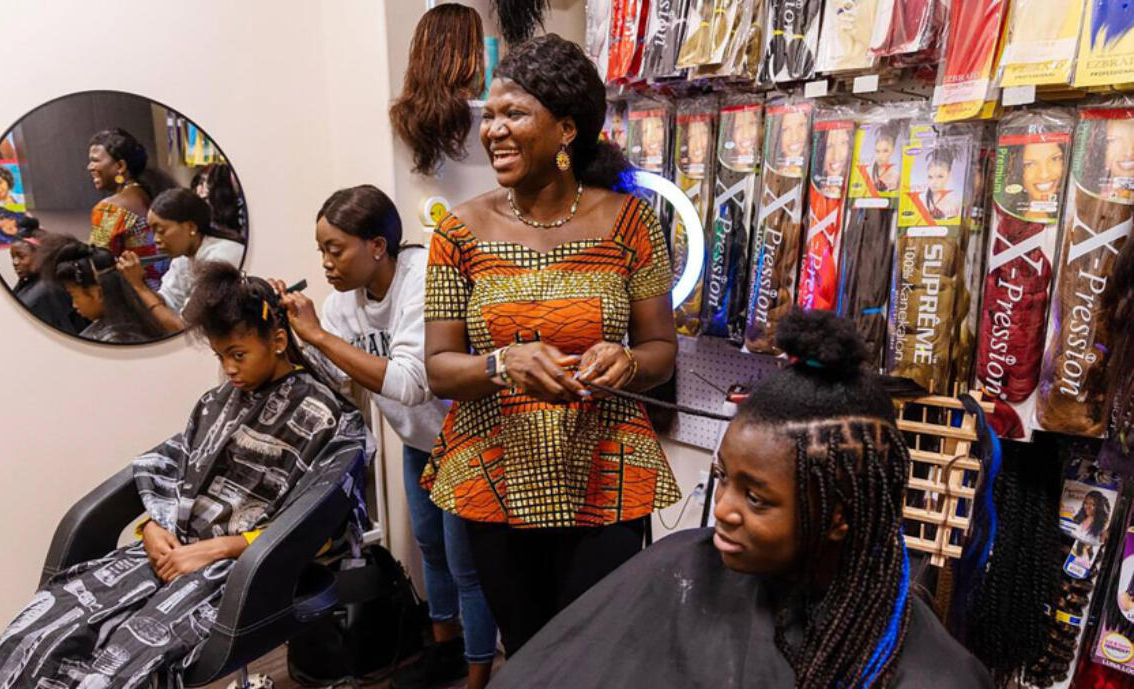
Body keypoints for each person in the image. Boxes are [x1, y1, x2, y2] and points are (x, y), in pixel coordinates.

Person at [487, 310, 994, 689]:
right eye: (723, 479)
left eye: (756, 498)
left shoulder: (927, 671)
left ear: (839, 517)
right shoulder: (686, 563)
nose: (723, 509)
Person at [0, 263, 370, 689]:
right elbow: (184, 478)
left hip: (244, 569)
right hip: (172, 551)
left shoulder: (323, 415)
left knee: (116, 666)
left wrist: (217, 550)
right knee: (38, 632)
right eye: (222, 357)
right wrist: (152, 528)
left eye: (238, 354)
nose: (230, 369)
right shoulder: (217, 403)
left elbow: (324, 526)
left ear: (277, 341)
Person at [423, 34, 680, 656]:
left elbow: (660, 349)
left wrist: (628, 361)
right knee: (531, 651)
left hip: (606, 470)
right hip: (495, 474)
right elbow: (438, 368)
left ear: (566, 130)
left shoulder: (631, 221)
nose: (494, 131)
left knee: (599, 651)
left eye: (514, 114)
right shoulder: (458, 230)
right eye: (489, 116)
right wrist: (501, 362)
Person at [276, 184, 497, 689]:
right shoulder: (342, 305)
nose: (326, 262)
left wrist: (320, 337)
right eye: (320, 251)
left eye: (335, 248)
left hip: (471, 440)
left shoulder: (423, 282)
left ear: (377, 246)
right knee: (430, 550)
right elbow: (332, 378)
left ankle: (481, 674)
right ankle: (447, 652)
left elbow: (409, 384)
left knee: (466, 567)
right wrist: (287, 329)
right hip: (420, 442)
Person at [117, 188, 245, 334]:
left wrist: (139, 287)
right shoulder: (183, 258)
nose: (156, 240)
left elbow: (183, 329)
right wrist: (136, 279)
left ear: (190, 227)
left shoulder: (220, 257)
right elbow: (166, 302)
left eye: (161, 231)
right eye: (153, 232)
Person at [86, 128, 169, 288]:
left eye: (95, 160)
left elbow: (97, 265)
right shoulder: (151, 193)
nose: (90, 167)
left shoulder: (110, 209)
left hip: (136, 298)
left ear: (120, 166)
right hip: (165, 294)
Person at [45, 238, 166, 344]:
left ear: (97, 293)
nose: (74, 304)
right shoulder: (131, 324)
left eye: (74, 295)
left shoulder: (117, 341)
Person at [10, 222, 87, 335]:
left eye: (21, 256)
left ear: (41, 254)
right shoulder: (29, 284)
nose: (15, 263)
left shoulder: (50, 290)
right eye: (13, 257)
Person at [924, 147, 962, 220]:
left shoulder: (955, 202)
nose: (934, 182)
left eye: (940, 176)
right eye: (930, 177)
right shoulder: (923, 201)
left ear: (949, 175)